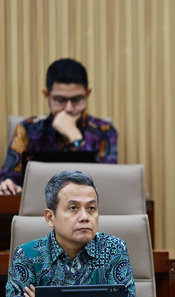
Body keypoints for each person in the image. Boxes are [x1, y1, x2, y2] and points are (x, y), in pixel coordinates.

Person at [5, 170, 136, 297]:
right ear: (50, 218)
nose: (85, 217)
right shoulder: (27, 255)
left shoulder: (114, 250)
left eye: (91, 208)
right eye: (73, 208)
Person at [0, 58, 118, 195]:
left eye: (77, 99)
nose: (68, 108)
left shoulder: (104, 131)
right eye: (60, 100)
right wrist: (7, 183)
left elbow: (108, 184)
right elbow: (8, 176)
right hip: (36, 211)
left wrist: (76, 138)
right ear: (47, 95)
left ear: (87, 94)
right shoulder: (28, 128)